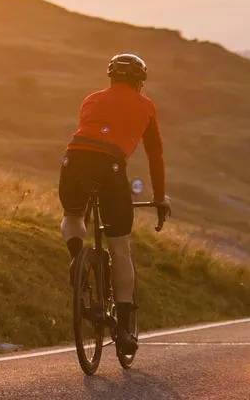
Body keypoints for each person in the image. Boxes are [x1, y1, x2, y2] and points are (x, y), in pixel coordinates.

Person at [57, 53, 171, 354]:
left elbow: (93, 132)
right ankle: (122, 330)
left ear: (111, 77)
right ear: (140, 81)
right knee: (119, 246)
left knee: (72, 214)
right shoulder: (146, 106)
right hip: (111, 167)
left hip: (74, 159)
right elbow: (155, 155)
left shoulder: (91, 99)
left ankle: (77, 259)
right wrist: (160, 197)